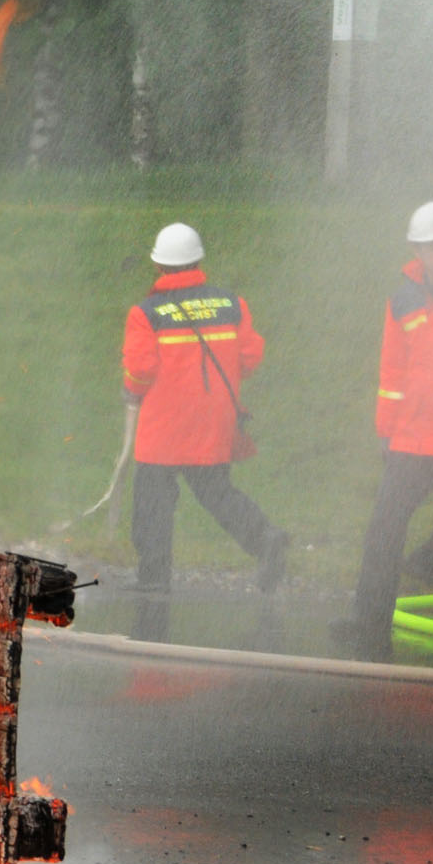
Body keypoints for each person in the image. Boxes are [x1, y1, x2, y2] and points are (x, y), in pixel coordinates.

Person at [331, 203, 433, 658]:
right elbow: (393, 369)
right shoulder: (402, 298)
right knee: (384, 529)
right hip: (415, 436)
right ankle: (368, 622)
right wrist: (387, 429)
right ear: (416, 250)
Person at [123, 222, 290, 594]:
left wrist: (130, 391)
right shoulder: (231, 304)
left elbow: (140, 369)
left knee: (153, 500)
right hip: (215, 419)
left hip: (164, 425)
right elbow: (250, 356)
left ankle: (153, 577)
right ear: (198, 261)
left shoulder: (146, 313)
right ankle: (265, 538)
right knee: (217, 493)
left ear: (159, 266)